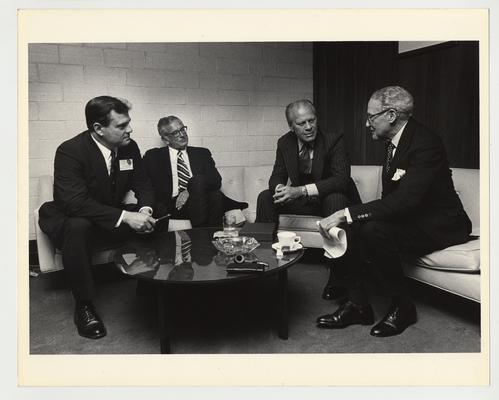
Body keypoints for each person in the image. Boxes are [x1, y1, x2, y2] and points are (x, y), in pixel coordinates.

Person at [316, 86, 472, 337]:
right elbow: (393, 201)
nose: (367, 123)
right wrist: (350, 218)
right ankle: (358, 305)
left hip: (441, 224)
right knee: (355, 226)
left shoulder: (426, 143)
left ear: (390, 115)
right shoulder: (393, 142)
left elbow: (404, 202)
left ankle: (403, 307)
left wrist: (346, 213)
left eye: (370, 116)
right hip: (413, 218)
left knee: (372, 230)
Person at [38, 96, 158, 339]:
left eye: (129, 123)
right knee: (78, 226)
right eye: (121, 126)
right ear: (98, 129)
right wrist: (126, 217)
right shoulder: (70, 151)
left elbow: (143, 184)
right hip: (70, 216)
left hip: (107, 213)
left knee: (159, 214)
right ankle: (84, 305)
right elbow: (74, 203)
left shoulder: (129, 147)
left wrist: (144, 212)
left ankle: (149, 283)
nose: (129, 130)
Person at [255, 99, 360, 298]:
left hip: (331, 199)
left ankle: (338, 277)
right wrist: (278, 188)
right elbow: (277, 174)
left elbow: (341, 180)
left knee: (335, 198)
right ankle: (262, 264)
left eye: (311, 120)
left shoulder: (333, 139)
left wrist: (300, 190)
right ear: (291, 126)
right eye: (301, 123)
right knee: (266, 197)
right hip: (305, 202)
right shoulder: (284, 142)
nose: (309, 127)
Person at [143, 116, 247, 228]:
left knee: (209, 190)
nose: (182, 134)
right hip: (174, 206)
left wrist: (189, 189)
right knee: (213, 194)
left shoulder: (201, 153)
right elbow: (145, 185)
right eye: (175, 133)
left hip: (201, 201)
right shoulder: (153, 156)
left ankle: (202, 234)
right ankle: (205, 234)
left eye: (183, 129)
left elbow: (216, 181)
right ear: (165, 139)